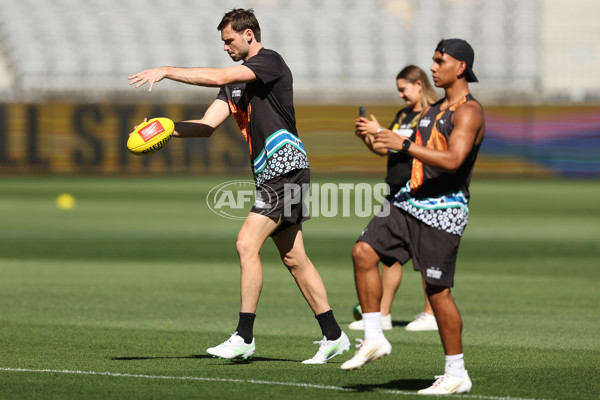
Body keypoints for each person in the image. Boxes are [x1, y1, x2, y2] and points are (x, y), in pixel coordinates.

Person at [128, 8, 350, 364]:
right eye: (223, 42)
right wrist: (167, 127)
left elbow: (218, 75)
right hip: (271, 173)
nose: (226, 46)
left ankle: (244, 337)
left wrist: (167, 70)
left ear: (249, 35)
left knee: (246, 243)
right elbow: (206, 125)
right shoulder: (234, 84)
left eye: (229, 40)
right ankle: (334, 335)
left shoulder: (269, 62)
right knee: (294, 258)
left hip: (286, 168)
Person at [341, 38, 485, 396]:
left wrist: (401, 143)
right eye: (433, 61)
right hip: (410, 200)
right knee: (363, 251)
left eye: (440, 61)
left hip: (444, 208)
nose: (433, 67)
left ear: (460, 67)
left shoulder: (469, 111)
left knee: (438, 294)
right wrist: (378, 135)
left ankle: (456, 372)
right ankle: (375, 337)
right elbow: (400, 142)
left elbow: (453, 160)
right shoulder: (433, 109)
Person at [350, 65, 438, 332]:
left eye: (404, 89)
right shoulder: (403, 114)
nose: (400, 95)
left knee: (427, 253)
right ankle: (383, 314)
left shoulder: (433, 113)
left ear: (419, 85)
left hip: (421, 190)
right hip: (395, 190)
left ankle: (431, 314)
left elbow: (425, 146)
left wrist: (380, 131)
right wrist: (369, 136)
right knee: (389, 255)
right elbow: (384, 145)